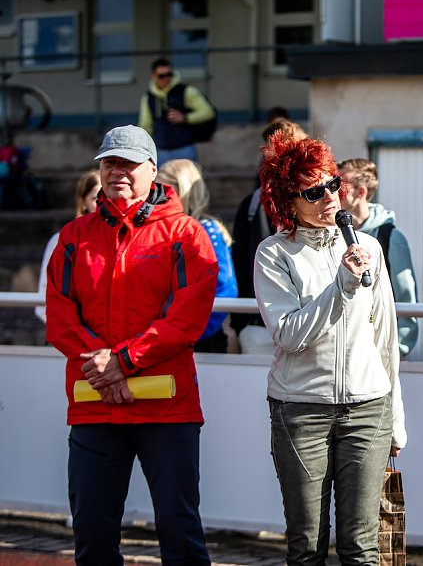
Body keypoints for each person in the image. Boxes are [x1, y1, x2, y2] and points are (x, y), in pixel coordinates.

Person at [45, 125, 217, 565]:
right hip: (95, 403)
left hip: (167, 408)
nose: (117, 171)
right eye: (109, 162)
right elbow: (60, 319)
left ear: (153, 170)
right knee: (92, 533)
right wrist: (106, 369)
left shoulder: (185, 234)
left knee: (179, 530)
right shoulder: (73, 236)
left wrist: (121, 361)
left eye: (128, 162)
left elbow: (187, 319)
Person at [253, 133, 406, 565]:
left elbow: (385, 340)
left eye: (333, 184)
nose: (329, 198)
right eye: (313, 191)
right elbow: (289, 334)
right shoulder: (274, 254)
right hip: (300, 410)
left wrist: (396, 417)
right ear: (288, 200)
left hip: (368, 407)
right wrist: (341, 286)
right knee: (306, 546)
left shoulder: (368, 247)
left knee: (363, 548)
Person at [231, 119, 309, 354]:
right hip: (259, 326)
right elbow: (241, 264)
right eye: (268, 154)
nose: (271, 162)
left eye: (279, 155)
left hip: (310, 325)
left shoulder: (320, 201)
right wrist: (239, 325)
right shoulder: (252, 204)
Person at [337, 158, 419, 357]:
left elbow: (406, 299)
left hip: (377, 353)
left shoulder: (390, 238)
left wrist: (397, 349)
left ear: (361, 192)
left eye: (341, 185)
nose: (333, 192)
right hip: (341, 349)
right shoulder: (333, 233)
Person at [157, 159, 238, 353]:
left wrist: (191, 333)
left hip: (200, 342)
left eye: (164, 188)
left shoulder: (207, 230)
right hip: (167, 337)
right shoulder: (162, 229)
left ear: (182, 190)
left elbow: (225, 289)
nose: (157, 196)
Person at [36, 170, 100, 324]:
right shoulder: (62, 240)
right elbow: (45, 295)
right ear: (83, 202)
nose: (102, 203)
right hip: (75, 337)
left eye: (108, 196)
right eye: (95, 198)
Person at [138, 58, 215, 165]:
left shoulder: (186, 91)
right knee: (160, 181)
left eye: (169, 74)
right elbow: (146, 125)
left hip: (184, 148)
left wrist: (185, 118)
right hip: (161, 150)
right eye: (162, 76)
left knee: (188, 181)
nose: (166, 78)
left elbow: (208, 112)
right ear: (153, 76)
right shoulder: (148, 97)